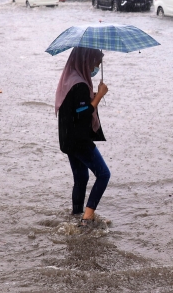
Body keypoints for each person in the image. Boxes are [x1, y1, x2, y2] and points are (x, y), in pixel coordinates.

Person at [55, 47, 111, 227]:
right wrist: (99, 96)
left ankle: (76, 212)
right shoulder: (79, 84)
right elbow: (82, 114)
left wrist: (91, 97)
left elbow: (75, 107)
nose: (97, 66)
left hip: (67, 139)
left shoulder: (70, 79)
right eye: (97, 61)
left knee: (81, 177)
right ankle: (87, 218)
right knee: (103, 174)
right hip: (78, 140)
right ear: (87, 60)